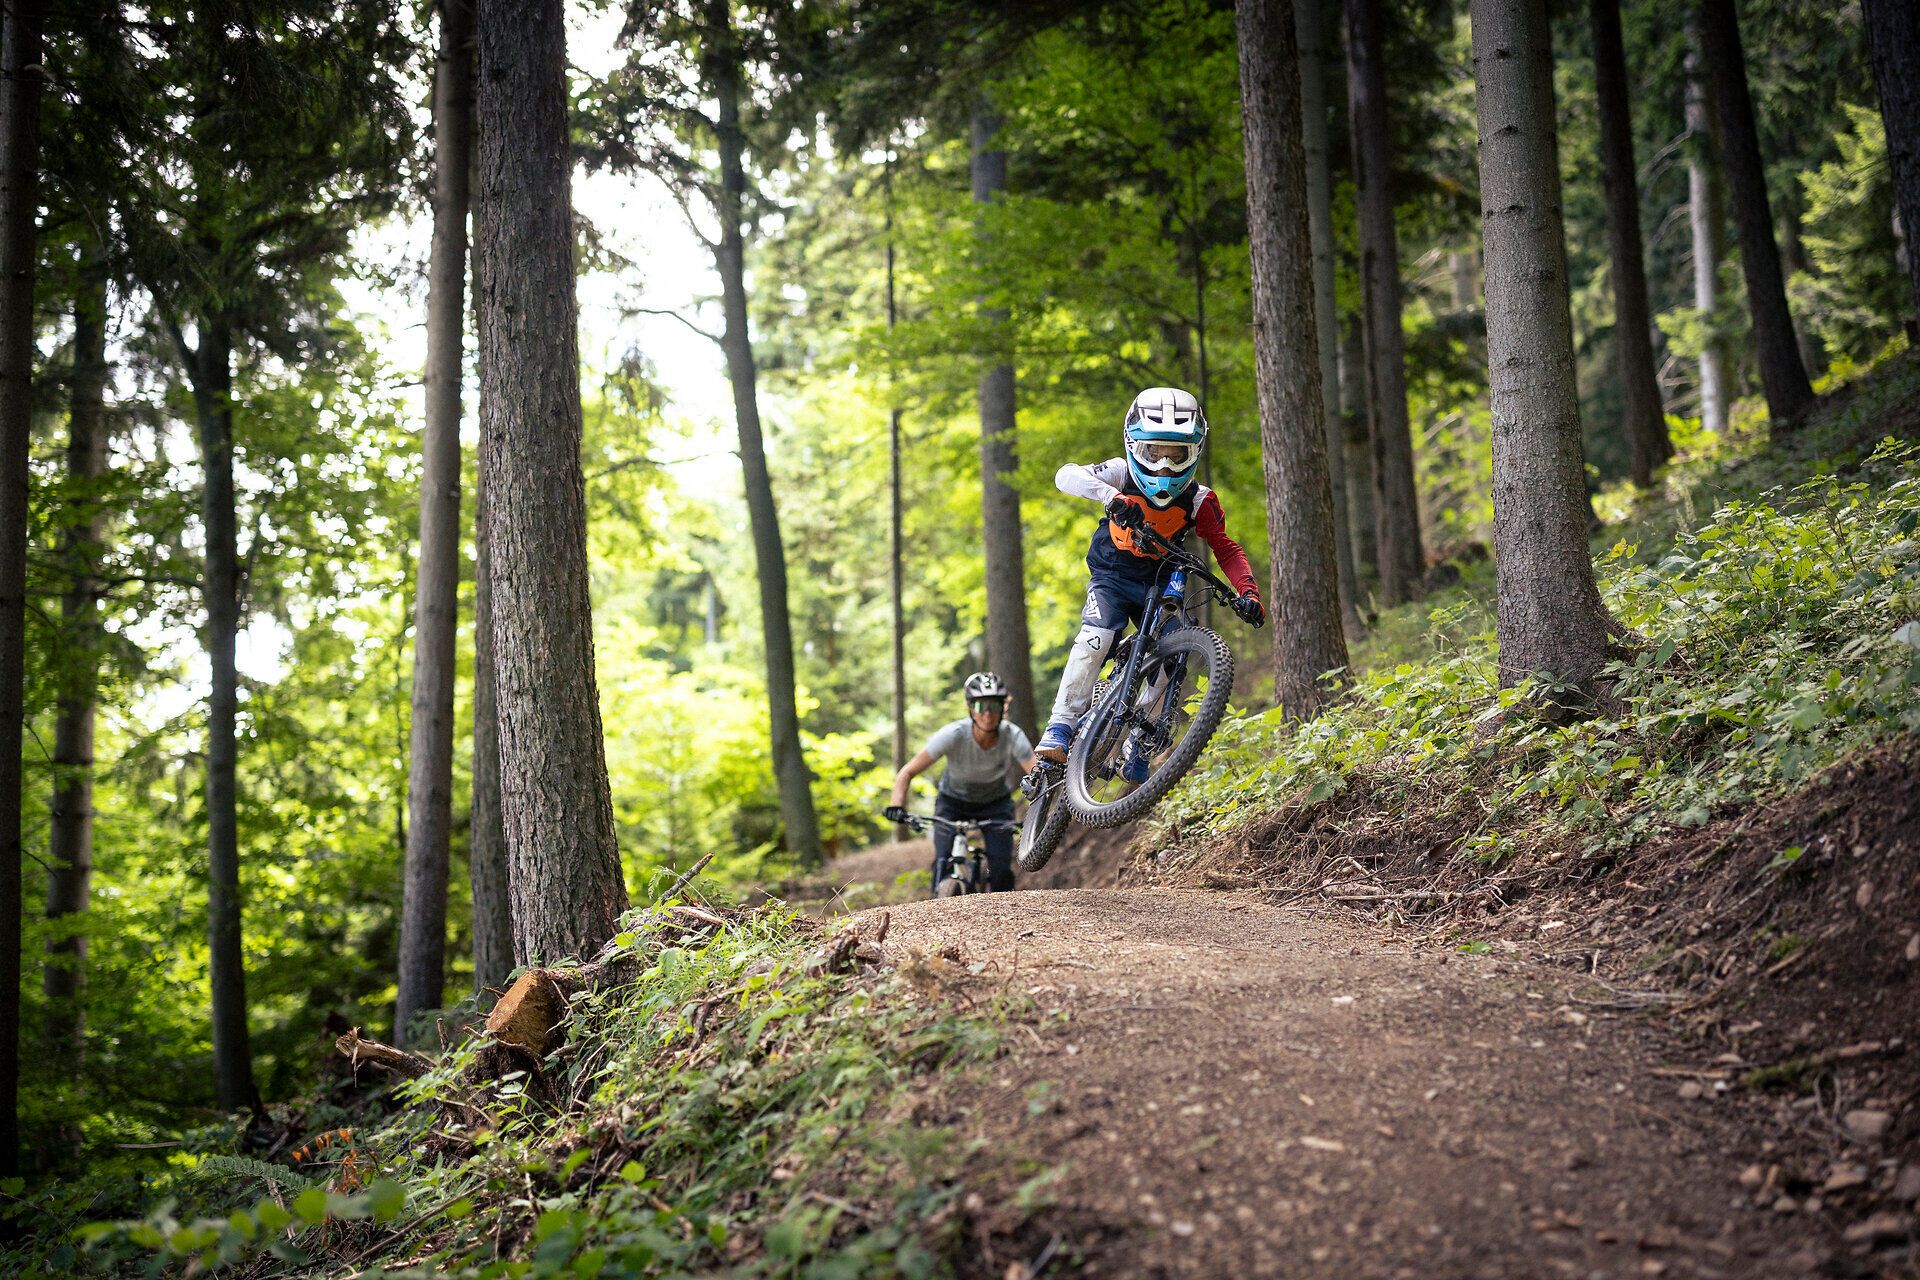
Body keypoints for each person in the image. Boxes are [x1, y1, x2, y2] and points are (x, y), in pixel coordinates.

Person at [1032, 387, 1264, 767]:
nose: (1164, 467)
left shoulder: (1199, 499)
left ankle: (1139, 735)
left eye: (1178, 456)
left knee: (1172, 659)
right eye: (1155, 452)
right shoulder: (1121, 474)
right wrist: (1110, 497)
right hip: (1112, 577)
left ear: (1194, 452)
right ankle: (1060, 724)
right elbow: (1065, 476)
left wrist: (1248, 592)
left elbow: (1226, 547)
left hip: (1161, 583)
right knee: (1095, 639)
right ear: (1134, 445)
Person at [884, 672, 1035, 893]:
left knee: (1000, 869)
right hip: (952, 801)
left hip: (995, 803)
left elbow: (1038, 774)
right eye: (981, 706)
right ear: (970, 708)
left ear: (1003, 707)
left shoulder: (1012, 736)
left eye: (994, 705)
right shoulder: (953, 734)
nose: (988, 714)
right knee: (942, 861)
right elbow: (907, 772)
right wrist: (897, 805)